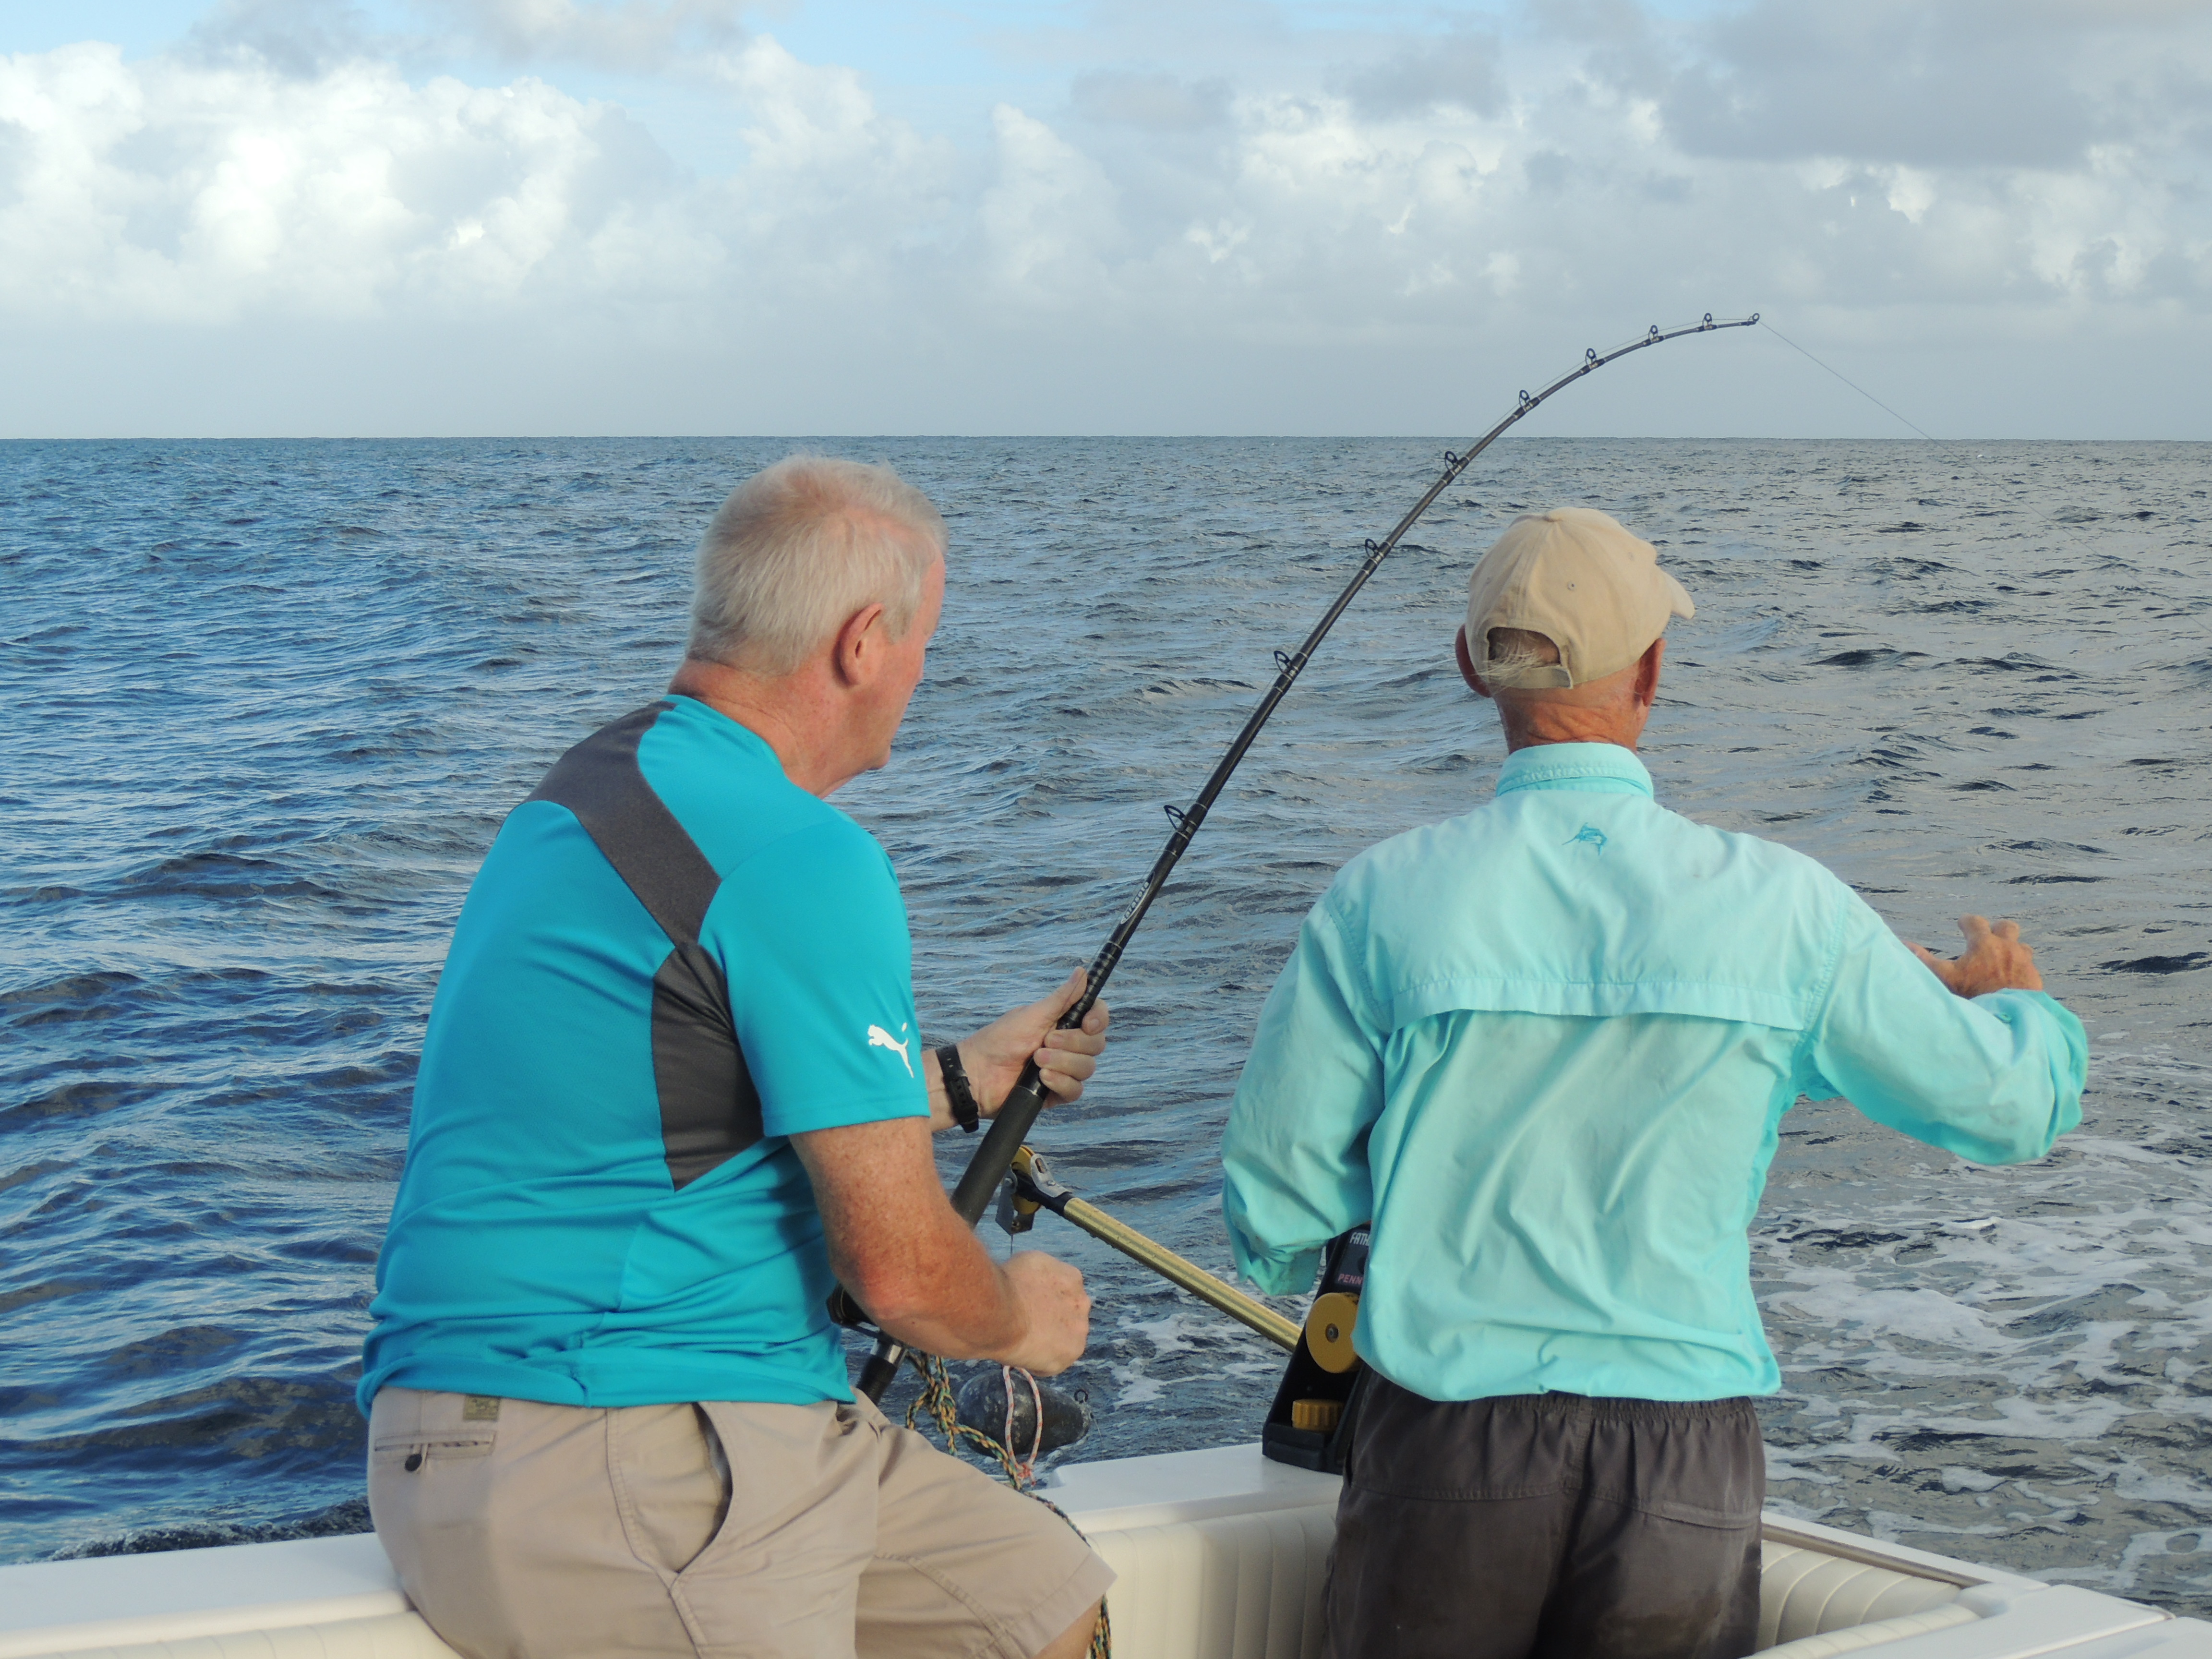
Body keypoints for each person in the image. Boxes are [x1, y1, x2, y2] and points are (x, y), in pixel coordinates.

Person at [1219, 507, 2087, 1659]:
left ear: (1473, 667)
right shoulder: (1790, 906)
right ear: (1653, 671)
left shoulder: (1379, 899)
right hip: (1683, 1455)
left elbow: (1277, 1199)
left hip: (1443, 1441)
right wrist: (2013, 1002)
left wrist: (1314, 1254)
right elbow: (2009, 1110)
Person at [359, 456, 1114, 1659]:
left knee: (1039, 1602)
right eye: (924, 640)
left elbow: (685, 1099)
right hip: (625, 1433)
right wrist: (1016, 1320)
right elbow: (903, 1279)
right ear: (864, 643)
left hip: (514, 1426)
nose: (923, 672)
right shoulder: (800, 856)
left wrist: (966, 1077)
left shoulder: (584, 795)